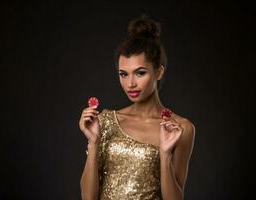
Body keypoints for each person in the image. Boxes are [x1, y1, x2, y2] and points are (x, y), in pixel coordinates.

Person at [79, 14, 195, 200]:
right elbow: (87, 198)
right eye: (123, 74)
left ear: (158, 71)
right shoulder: (105, 122)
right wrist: (93, 144)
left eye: (139, 73)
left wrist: (164, 156)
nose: (130, 83)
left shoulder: (180, 128)